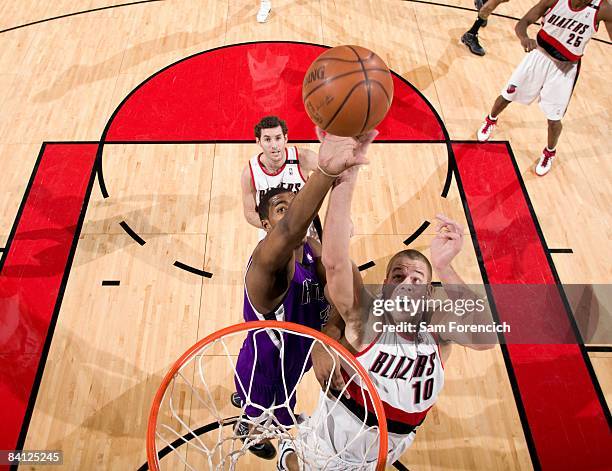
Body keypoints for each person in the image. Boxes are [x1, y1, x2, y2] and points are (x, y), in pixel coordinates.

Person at [276, 164, 495, 470]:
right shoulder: (365, 320)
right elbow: (336, 264)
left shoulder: (439, 333)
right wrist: (346, 179)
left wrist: (445, 267)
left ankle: (291, 450)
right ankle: (293, 453)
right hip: (331, 444)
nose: (407, 282)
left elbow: (487, 338)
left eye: (417, 279)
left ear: (429, 295)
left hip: (387, 448)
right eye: (397, 275)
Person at [233, 129, 377, 460]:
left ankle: (256, 411)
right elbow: (291, 229)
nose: (295, 212)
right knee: (266, 414)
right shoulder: (265, 268)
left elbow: (343, 290)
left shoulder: (313, 248)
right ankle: (247, 424)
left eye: (295, 205)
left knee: (287, 406)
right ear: (267, 226)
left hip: (295, 361)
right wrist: (326, 172)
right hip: (265, 368)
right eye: (282, 209)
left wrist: (330, 332)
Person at [476, 0, 612, 175]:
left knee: (554, 119)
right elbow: (522, 23)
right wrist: (524, 38)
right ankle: (490, 119)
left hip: (565, 68)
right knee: (507, 95)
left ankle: (549, 152)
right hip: (539, 55)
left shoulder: (603, 9)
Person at [241, 116, 319, 240]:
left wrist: (342, 216)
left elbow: (335, 177)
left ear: (285, 139)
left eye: (278, 138)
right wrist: (278, 227)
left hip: (306, 232)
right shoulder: (250, 172)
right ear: (258, 141)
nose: (274, 145)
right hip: (272, 236)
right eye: (267, 139)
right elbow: (250, 213)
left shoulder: (303, 158)